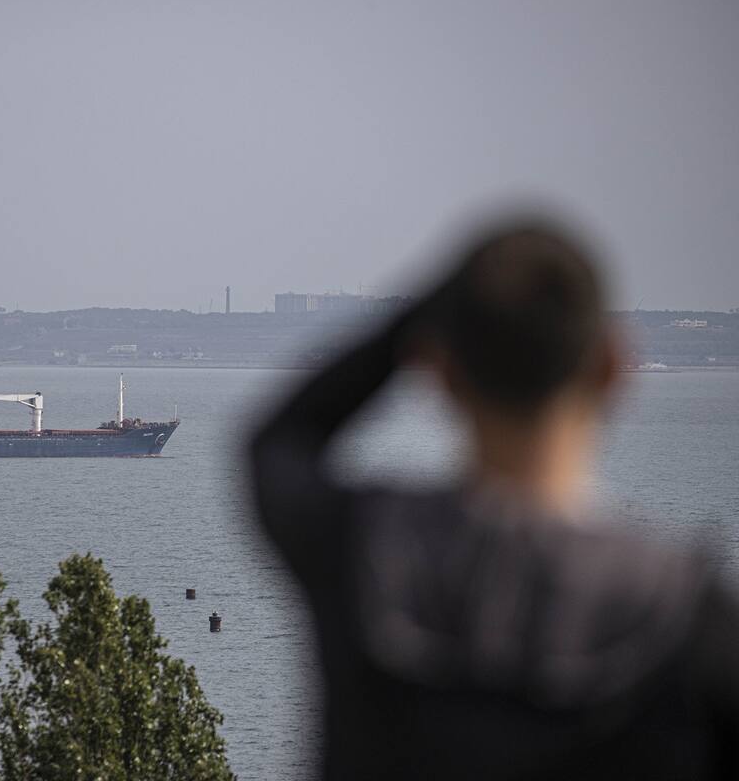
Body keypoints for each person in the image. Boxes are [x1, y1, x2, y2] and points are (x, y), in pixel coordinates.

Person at [249, 219, 739, 779]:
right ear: (610, 368)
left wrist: (426, 312)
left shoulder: (359, 551)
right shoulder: (691, 625)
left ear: (439, 372)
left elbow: (278, 443)